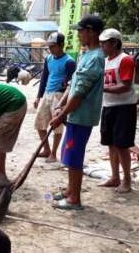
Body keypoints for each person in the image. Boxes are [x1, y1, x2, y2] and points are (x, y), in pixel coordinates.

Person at [50, 15, 105, 210]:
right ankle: (70, 190)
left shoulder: (96, 58)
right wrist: (61, 105)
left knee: (74, 156)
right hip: (74, 114)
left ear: (91, 31)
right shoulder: (86, 54)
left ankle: (75, 199)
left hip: (81, 115)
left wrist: (62, 114)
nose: (78, 34)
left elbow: (80, 92)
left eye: (81, 31)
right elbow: (73, 84)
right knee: (69, 153)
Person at [97, 28, 137, 193]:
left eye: (104, 43)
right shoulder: (105, 61)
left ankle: (127, 180)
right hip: (108, 106)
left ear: (114, 43)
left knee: (122, 145)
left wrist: (102, 89)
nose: (102, 47)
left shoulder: (125, 60)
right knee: (111, 144)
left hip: (124, 107)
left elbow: (125, 86)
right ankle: (115, 177)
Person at [34, 32, 76, 163]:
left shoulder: (69, 62)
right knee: (39, 123)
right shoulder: (48, 59)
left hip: (60, 95)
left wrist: (63, 102)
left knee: (57, 126)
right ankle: (46, 149)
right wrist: (38, 96)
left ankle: (53, 153)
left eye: (53, 46)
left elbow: (70, 84)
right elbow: (44, 77)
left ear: (61, 45)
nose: (50, 49)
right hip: (47, 93)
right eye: (49, 46)